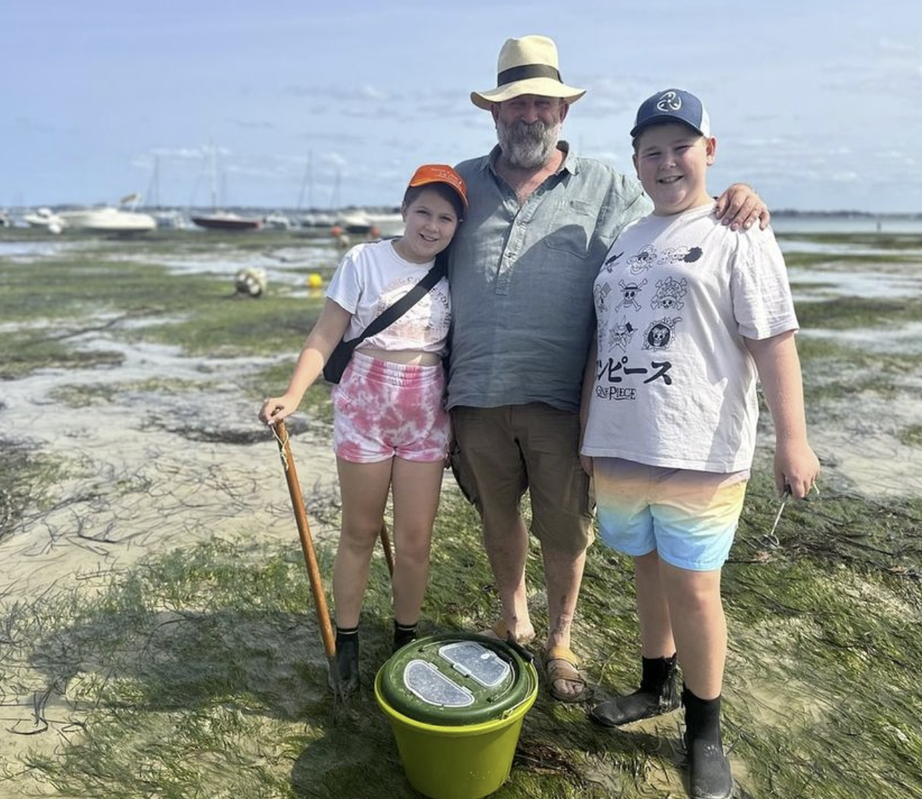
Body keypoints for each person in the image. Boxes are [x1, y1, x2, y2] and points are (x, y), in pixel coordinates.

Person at [445, 34, 770, 704]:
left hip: (567, 400)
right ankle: (513, 619)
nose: (528, 114)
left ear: (561, 113)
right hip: (473, 394)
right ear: (494, 115)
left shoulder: (606, 187)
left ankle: (560, 638)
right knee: (497, 517)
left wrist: (736, 194)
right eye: (514, 103)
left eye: (541, 102)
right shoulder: (461, 183)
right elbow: (418, 242)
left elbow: (672, 216)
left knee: (565, 527)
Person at [579, 88, 820, 799]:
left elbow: (774, 340)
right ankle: (654, 685)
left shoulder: (737, 230)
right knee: (646, 567)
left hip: (701, 446)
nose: (666, 163)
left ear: (708, 152)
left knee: (694, 584)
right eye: (651, 151)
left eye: (680, 147)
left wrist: (793, 440)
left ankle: (704, 730)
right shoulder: (625, 240)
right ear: (635, 162)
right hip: (623, 440)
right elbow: (601, 343)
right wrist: (592, 429)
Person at [258, 164, 467, 693]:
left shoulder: (456, 270)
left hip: (426, 412)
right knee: (358, 531)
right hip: (364, 408)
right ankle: (347, 640)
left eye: (446, 217)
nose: (432, 225)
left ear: (457, 226)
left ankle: (405, 639)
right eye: (423, 211)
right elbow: (326, 333)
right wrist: (293, 393)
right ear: (403, 209)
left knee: (416, 538)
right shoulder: (363, 260)